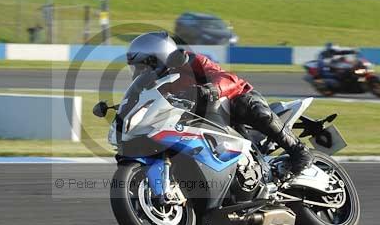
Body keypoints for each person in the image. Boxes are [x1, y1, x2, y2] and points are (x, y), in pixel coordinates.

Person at [126, 32, 313, 176]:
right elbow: (143, 102)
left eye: (143, 66)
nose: (140, 72)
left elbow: (227, 77)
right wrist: (123, 112)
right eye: (137, 68)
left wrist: (212, 89)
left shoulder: (191, 61)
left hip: (228, 103)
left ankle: (298, 150)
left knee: (252, 107)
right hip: (197, 120)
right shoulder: (153, 84)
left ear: (157, 58)